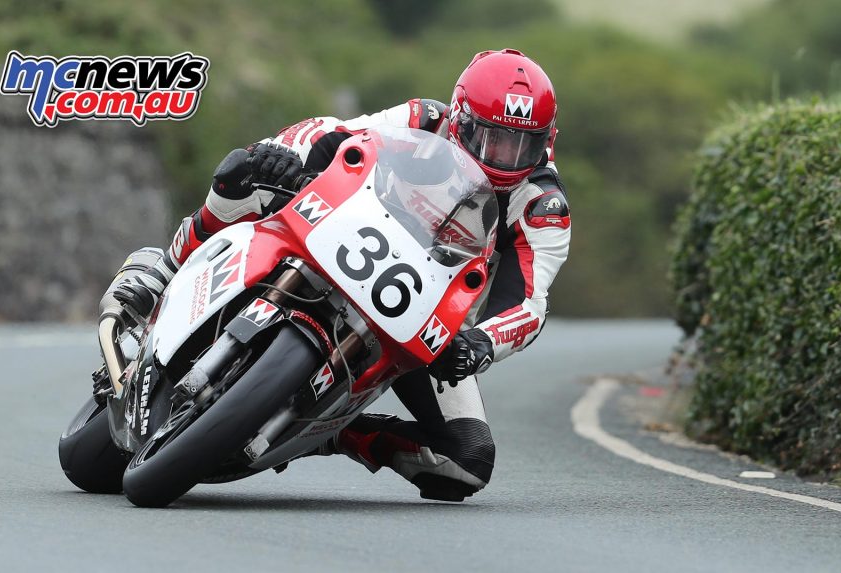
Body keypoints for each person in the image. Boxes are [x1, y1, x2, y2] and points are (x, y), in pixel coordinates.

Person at [114, 48, 571, 502]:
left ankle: (331, 431)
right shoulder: (422, 119)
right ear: (460, 119)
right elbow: (335, 133)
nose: (505, 159)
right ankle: (164, 270)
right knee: (244, 174)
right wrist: (281, 156)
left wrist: (480, 344)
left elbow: (528, 305)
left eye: (521, 145)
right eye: (491, 139)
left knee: (466, 461)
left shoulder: (541, 206)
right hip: (340, 232)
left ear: (546, 140)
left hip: (420, 313)